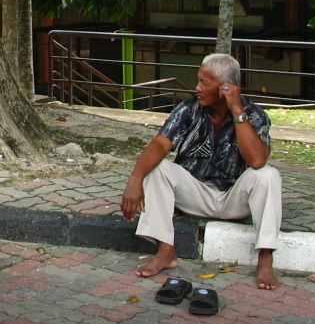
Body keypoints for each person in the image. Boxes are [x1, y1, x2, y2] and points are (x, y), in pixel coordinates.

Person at [120, 53, 282, 289]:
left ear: (225, 87)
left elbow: (257, 160)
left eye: (204, 83)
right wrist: (134, 180)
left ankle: (265, 258)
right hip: (194, 194)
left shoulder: (254, 114)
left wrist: (237, 111)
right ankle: (166, 251)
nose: (197, 88)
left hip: (234, 198)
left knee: (268, 174)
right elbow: (159, 144)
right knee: (157, 168)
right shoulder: (188, 109)